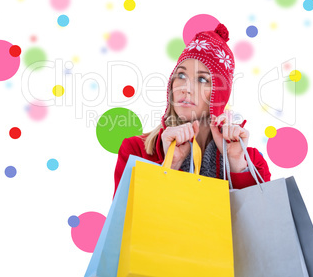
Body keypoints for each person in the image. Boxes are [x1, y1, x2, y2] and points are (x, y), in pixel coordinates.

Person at [113, 23, 271, 198]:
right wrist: (170, 166)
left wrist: (236, 163)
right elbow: (123, 222)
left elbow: (262, 221)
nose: (186, 88)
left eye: (202, 79)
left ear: (220, 93)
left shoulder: (251, 162)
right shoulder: (136, 151)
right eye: (180, 75)